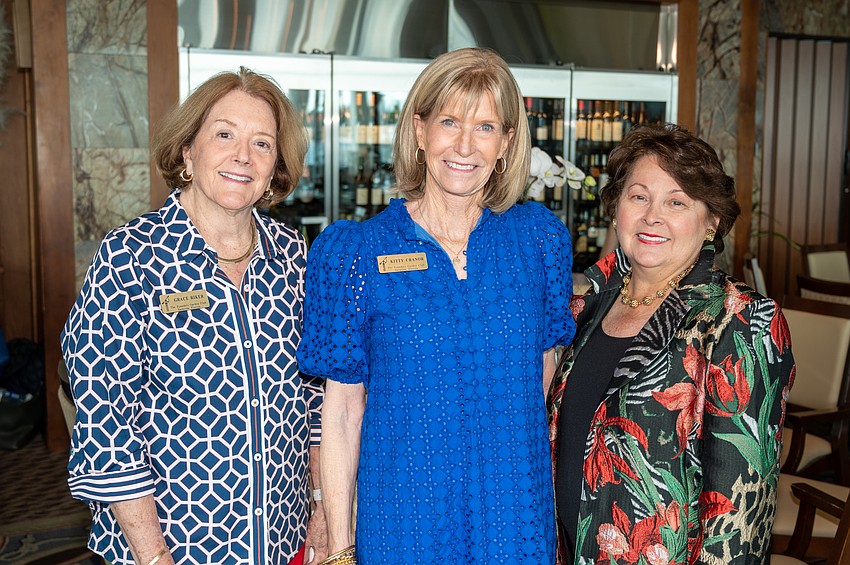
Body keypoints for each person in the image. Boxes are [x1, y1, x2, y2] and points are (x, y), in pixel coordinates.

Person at [298, 48, 576, 564]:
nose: (465, 145)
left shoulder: (539, 242)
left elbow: (539, 380)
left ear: (506, 142)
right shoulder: (357, 253)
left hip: (515, 520)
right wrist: (340, 545)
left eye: (485, 127)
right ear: (420, 130)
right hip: (405, 523)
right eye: (449, 122)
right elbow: (340, 414)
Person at [62, 67, 327, 565]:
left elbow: (315, 399)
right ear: (187, 150)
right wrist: (154, 557)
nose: (243, 156)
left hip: (283, 539)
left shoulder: (293, 254)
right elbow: (106, 421)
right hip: (175, 546)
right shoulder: (131, 258)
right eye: (224, 134)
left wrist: (322, 508)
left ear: (275, 167)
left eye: (262, 144)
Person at [548, 123, 795, 564]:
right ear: (616, 209)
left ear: (711, 222)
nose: (652, 216)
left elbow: (739, 523)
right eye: (638, 196)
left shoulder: (740, 320)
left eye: (676, 202)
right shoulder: (586, 307)